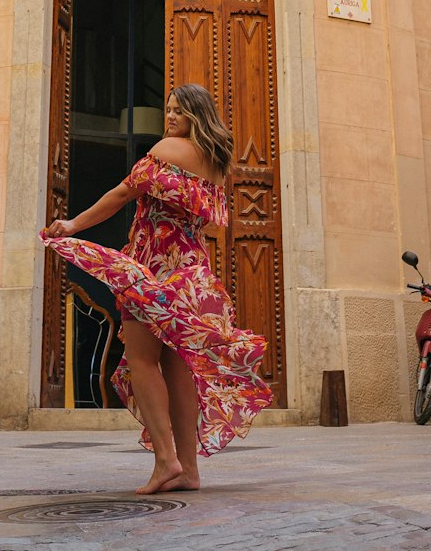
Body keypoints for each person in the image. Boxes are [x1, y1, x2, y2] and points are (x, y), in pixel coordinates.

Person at [41, 83, 272, 494]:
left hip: (154, 269)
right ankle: (188, 470)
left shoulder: (167, 150)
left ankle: (165, 461)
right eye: (167, 110)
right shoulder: (217, 163)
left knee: (142, 361)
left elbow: (123, 193)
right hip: (191, 272)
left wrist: (74, 224)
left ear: (195, 116)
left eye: (177, 111)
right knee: (178, 370)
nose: (169, 117)